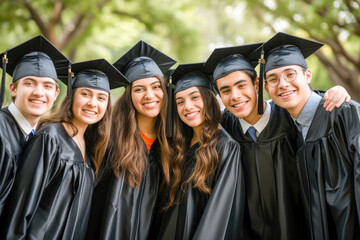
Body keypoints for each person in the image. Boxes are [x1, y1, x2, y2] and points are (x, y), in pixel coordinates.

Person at [203, 43, 351, 240]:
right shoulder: (224, 127)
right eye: (226, 90)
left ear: (256, 86)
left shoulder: (289, 116)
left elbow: (311, 105)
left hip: (301, 229)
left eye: (241, 85)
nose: (236, 96)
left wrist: (336, 91)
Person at [0, 58, 127, 240]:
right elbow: (22, 206)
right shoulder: (50, 137)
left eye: (101, 98)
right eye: (85, 94)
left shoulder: (91, 147)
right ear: (71, 96)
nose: (93, 103)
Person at [259, 32, 360, 240]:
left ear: (307, 76)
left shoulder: (344, 113)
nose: (283, 84)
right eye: (273, 79)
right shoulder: (290, 128)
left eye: (290, 74)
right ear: (267, 88)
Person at [86, 40, 176, 240]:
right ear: (129, 95)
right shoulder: (109, 137)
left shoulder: (173, 142)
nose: (149, 95)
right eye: (139, 89)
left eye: (155, 87)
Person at [149, 62, 245, 240]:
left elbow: (219, 214)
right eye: (180, 101)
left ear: (209, 99)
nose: (187, 106)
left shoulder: (226, 146)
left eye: (194, 97)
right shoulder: (178, 145)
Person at [0, 35, 70, 216]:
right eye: (29, 83)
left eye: (47, 86)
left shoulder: (40, 137)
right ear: (13, 89)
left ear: (56, 93)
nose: (39, 92)